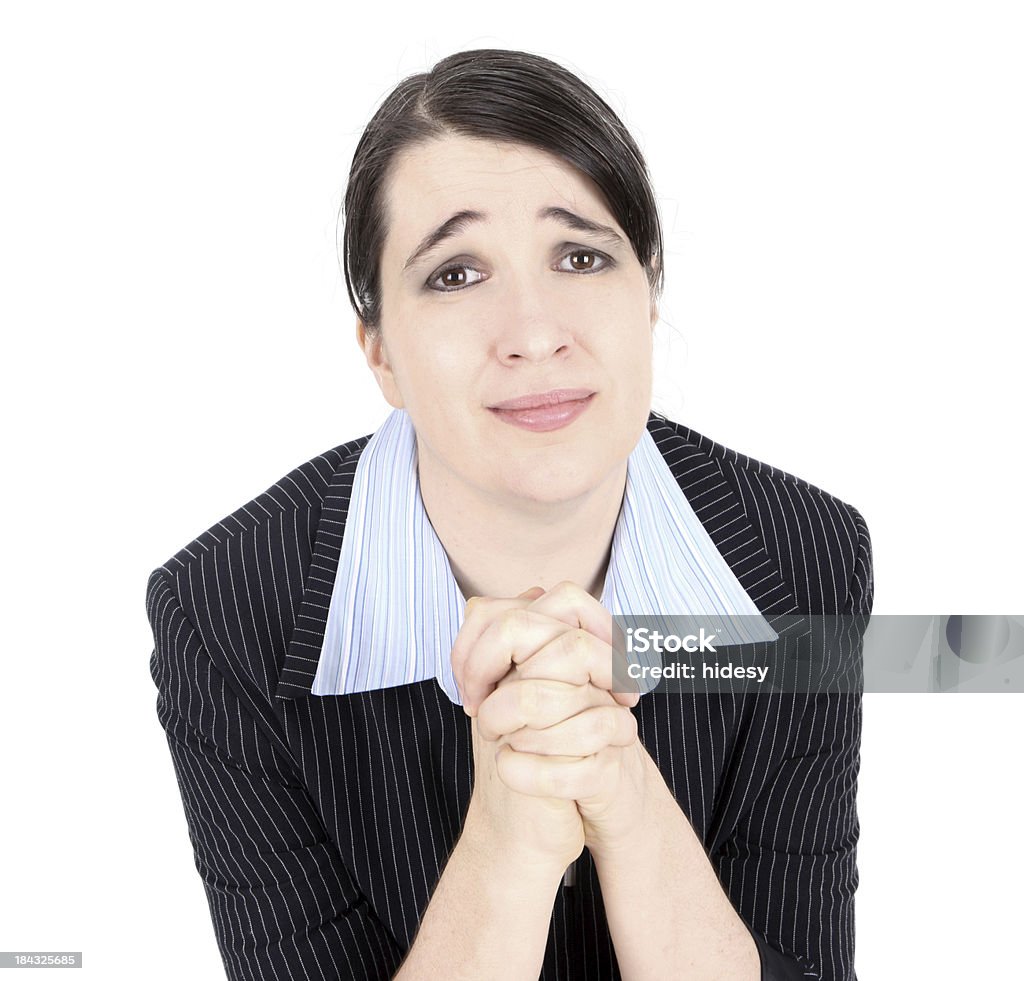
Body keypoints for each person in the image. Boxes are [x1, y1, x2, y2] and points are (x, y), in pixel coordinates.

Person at [145, 48, 873, 981]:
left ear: (648, 295)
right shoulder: (229, 608)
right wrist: (508, 843)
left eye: (581, 255)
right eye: (455, 273)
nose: (534, 333)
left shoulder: (805, 557)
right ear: (380, 352)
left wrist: (626, 793)